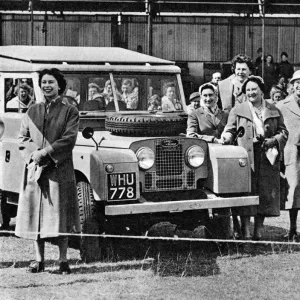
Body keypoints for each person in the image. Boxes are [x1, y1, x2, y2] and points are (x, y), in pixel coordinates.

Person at [15, 68, 81, 274]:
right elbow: (22, 138)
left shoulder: (70, 110)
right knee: (35, 213)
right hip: (36, 169)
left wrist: (46, 152)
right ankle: (38, 260)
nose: (47, 86)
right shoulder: (31, 111)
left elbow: (69, 139)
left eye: (51, 82)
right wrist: (34, 155)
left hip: (59, 168)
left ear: (59, 85)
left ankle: (63, 261)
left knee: (61, 214)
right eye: (44, 82)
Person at [221, 76, 288, 240]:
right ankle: (246, 231)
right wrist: (227, 137)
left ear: (261, 91)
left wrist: (274, 140)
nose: (251, 93)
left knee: (264, 194)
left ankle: (258, 230)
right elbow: (230, 129)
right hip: (246, 159)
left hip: (267, 158)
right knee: (246, 194)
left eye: (254, 90)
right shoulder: (238, 109)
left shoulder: (273, 109)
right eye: (248, 90)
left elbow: (284, 132)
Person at [276, 70, 300, 241]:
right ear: (292, 85)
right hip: (293, 155)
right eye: (297, 83)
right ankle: (292, 229)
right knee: (294, 191)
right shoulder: (283, 105)